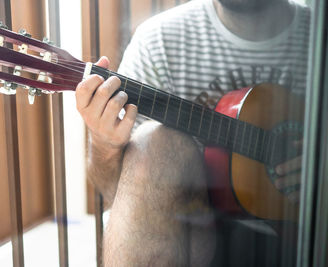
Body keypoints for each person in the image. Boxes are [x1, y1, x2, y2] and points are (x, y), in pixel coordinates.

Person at [75, 0, 309, 266]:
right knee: (152, 141)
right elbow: (115, 193)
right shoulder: (158, 42)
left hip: (304, 237)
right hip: (186, 236)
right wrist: (104, 144)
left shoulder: (318, 36)